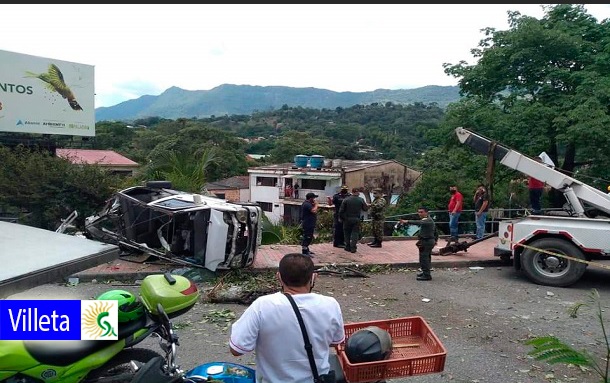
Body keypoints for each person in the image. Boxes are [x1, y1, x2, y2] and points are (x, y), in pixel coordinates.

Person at [229, 253, 345, 383]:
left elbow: (236, 349)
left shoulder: (262, 306)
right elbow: (336, 341)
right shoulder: (330, 304)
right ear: (313, 277)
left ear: (279, 277)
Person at [400, 206, 438, 281]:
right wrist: (435, 240)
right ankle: (425, 272)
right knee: (425, 257)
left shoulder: (428, 220)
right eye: (419, 212)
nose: (419, 214)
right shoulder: (427, 220)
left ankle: (427, 275)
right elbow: (435, 231)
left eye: (421, 212)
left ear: (426, 212)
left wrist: (407, 221)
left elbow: (419, 222)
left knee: (424, 258)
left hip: (427, 241)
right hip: (425, 241)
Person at [339, 187, 369, 253]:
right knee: (355, 233)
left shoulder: (346, 199)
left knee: (347, 233)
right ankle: (353, 247)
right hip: (356, 219)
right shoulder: (361, 200)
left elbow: (341, 210)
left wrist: (341, 218)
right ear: (357, 192)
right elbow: (365, 209)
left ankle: (347, 246)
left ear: (352, 192)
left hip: (347, 219)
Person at [300, 192, 319, 256]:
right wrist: (316, 205)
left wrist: (313, 205)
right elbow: (313, 211)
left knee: (309, 236)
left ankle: (307, 249)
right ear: (311, 198)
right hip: (308, 223)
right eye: (313, 198)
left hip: (310, 223)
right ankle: (304, 251)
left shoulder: (309, 204)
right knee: (307, 237)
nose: (314, 199)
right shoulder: (307, 204)